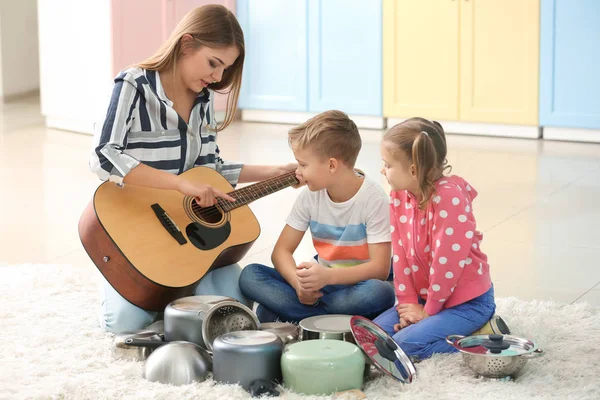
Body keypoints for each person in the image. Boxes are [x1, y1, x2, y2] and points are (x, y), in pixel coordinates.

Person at [89, 5, 294, 333]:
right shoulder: (133, 84)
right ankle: (127, 282)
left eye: (223, 69)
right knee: (124, 326)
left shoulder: (203, 101)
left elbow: (210, 171)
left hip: (187, 234)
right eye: (214, 63)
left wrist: (274, 172)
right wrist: (179, 186)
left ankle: (177, 284)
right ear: (186, 44)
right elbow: (103, 156)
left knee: (233, 314)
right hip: (137, 226)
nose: (217, 77)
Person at [238, 110, 396, 323]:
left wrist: (328, 276)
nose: (298, 172)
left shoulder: (374, 199)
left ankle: (294, 315)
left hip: (356, 284)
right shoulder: (310, 196)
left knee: (380, 292)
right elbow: (281, 252)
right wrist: (298, 284)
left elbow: (379, 269)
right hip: (321, 284)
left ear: (331, 165)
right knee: (250, 274)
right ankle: (321, 317)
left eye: (303, 164)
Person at [375, 117, 510, 360]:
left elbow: (446, 264)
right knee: (375, 337)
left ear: (413, 170)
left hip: (467, 303)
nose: (382, 170)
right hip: (424, 299)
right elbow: (401, 253)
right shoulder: (399, 195)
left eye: (387, 164)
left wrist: (428, 313)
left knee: (404, 346)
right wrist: (408, 306)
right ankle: (431, 326)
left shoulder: (449, 198)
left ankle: (482, 333)